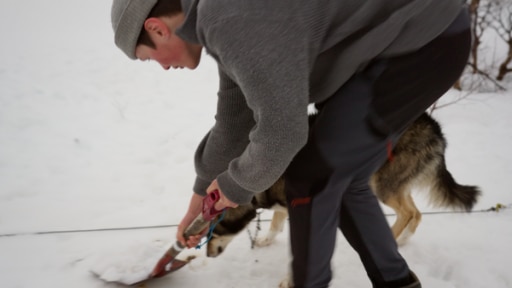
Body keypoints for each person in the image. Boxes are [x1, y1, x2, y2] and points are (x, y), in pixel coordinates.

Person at [110, 0, 471, 287]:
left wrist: (234, 187)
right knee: (338, 177)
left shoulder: (228, 18)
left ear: (156, 28)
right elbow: (236, 120)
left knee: (311, 177)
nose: (160, 67)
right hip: (401, 43)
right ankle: (396, 282)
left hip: (421, 40)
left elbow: (283, 132)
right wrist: (200, 199)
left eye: (148, 57)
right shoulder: (218, 18)